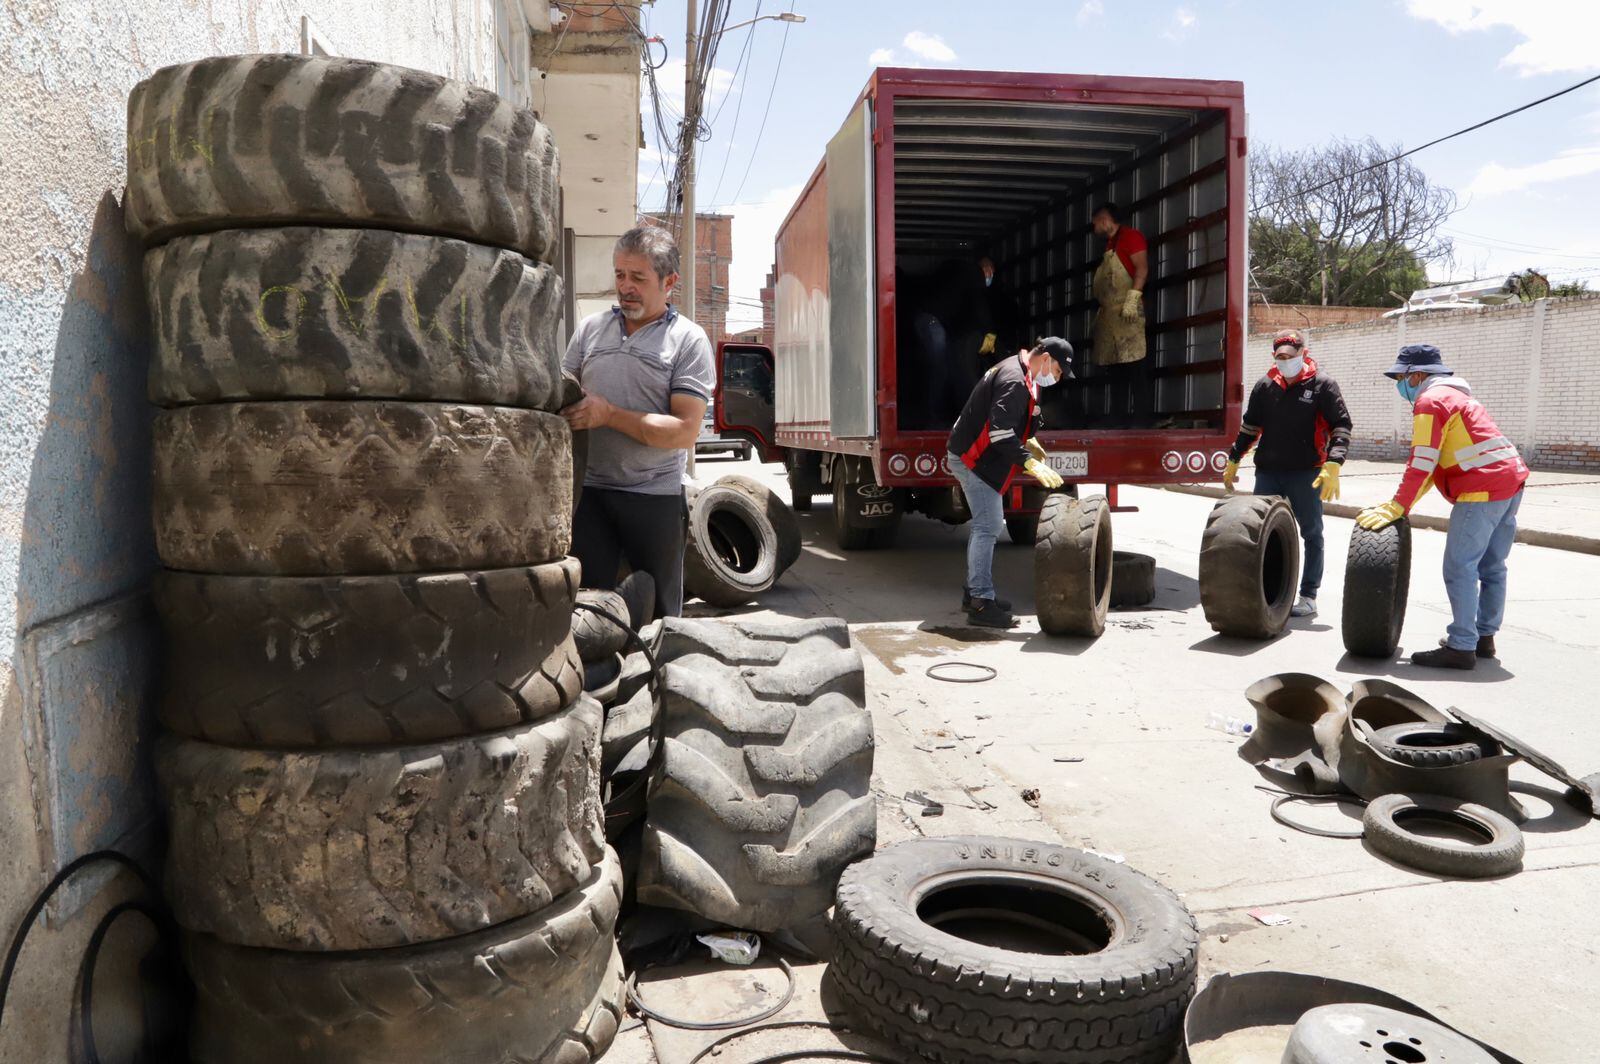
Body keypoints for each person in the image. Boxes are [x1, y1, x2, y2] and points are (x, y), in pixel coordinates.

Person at [560, 226, 714, 619]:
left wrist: (609, 414)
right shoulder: (591, 330)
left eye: (638, 278)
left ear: (670, 282)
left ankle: (657, 678)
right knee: (588, 610)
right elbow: (561, 394)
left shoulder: (688, 341)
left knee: (660, 616)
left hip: (653, 498)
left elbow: (684, 431)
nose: (625, 286)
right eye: (619, 275)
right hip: (590, 494)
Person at [1356, 344, 1529, 670]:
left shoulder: (1431, 401)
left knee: (1460, 567)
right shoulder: (1458, 397)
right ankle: (1483, 638)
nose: (1399, 384)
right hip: (1511, 482)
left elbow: (1422, 461)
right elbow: (1434, 466)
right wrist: (1402, 504)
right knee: (1492, 567)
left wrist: (1398, 505)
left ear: (1418, 374)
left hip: (1482, 490)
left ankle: (1462, 646)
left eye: (1401, 376)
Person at [1222, 329, 1352, 618]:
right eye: (1279, 357)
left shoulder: (1323, 386)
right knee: (1260, 533)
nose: (1284, 362)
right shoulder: (1265, 386)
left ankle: (1308, 595)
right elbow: (1250, 427)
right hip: (1268, 472)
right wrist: (1233, 459)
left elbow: (1341, 425)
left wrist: (1334, 463)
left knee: (1312, 533)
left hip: (1306, 473)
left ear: (1303, 355)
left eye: (1290, 357)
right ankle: (1266, 590)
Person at [946, 338, 1073, 628]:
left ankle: (975, 593)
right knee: (988, 525)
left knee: (986, 524)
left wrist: (1029, 439)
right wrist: (1028, 461)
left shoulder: (1022, 372)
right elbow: (1000, 433)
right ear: (1045, 358)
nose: (1057, 377)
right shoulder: (1015, 380)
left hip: (975, 453)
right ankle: (980, 602)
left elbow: (1013, 419)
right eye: (1057, 370)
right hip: (972, 457)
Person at [1090, 203, 1150, 422]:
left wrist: (1133, 298)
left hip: (1129, 315)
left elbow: (1142, 268)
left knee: (1135, 369)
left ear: (1105, 219)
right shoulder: (1110, 245)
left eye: (1095, 221)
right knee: (1116, 372)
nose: (1094, 226)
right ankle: (1119, 419)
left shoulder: (1131, 237)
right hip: (1111, 318)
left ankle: (1141, 420)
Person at [975, 255, 1026, 363]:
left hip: (1001, 345)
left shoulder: (1002, 298)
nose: (988, 274)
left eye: (990, 269)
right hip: (984, 348)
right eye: (984, 270)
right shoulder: (975, 295)